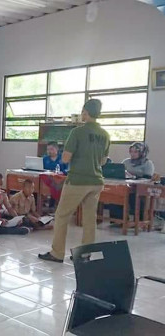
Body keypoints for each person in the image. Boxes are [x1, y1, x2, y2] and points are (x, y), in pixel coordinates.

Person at [39, 99, 110, 263]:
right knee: (89, 219)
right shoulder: (105, 134)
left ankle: (57, 253)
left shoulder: (78, 132)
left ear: (85, 112)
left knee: (62, 215)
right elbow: (103, 161)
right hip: (97, 181)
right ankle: (85, 254)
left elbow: (65, 158)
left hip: (78, 179)